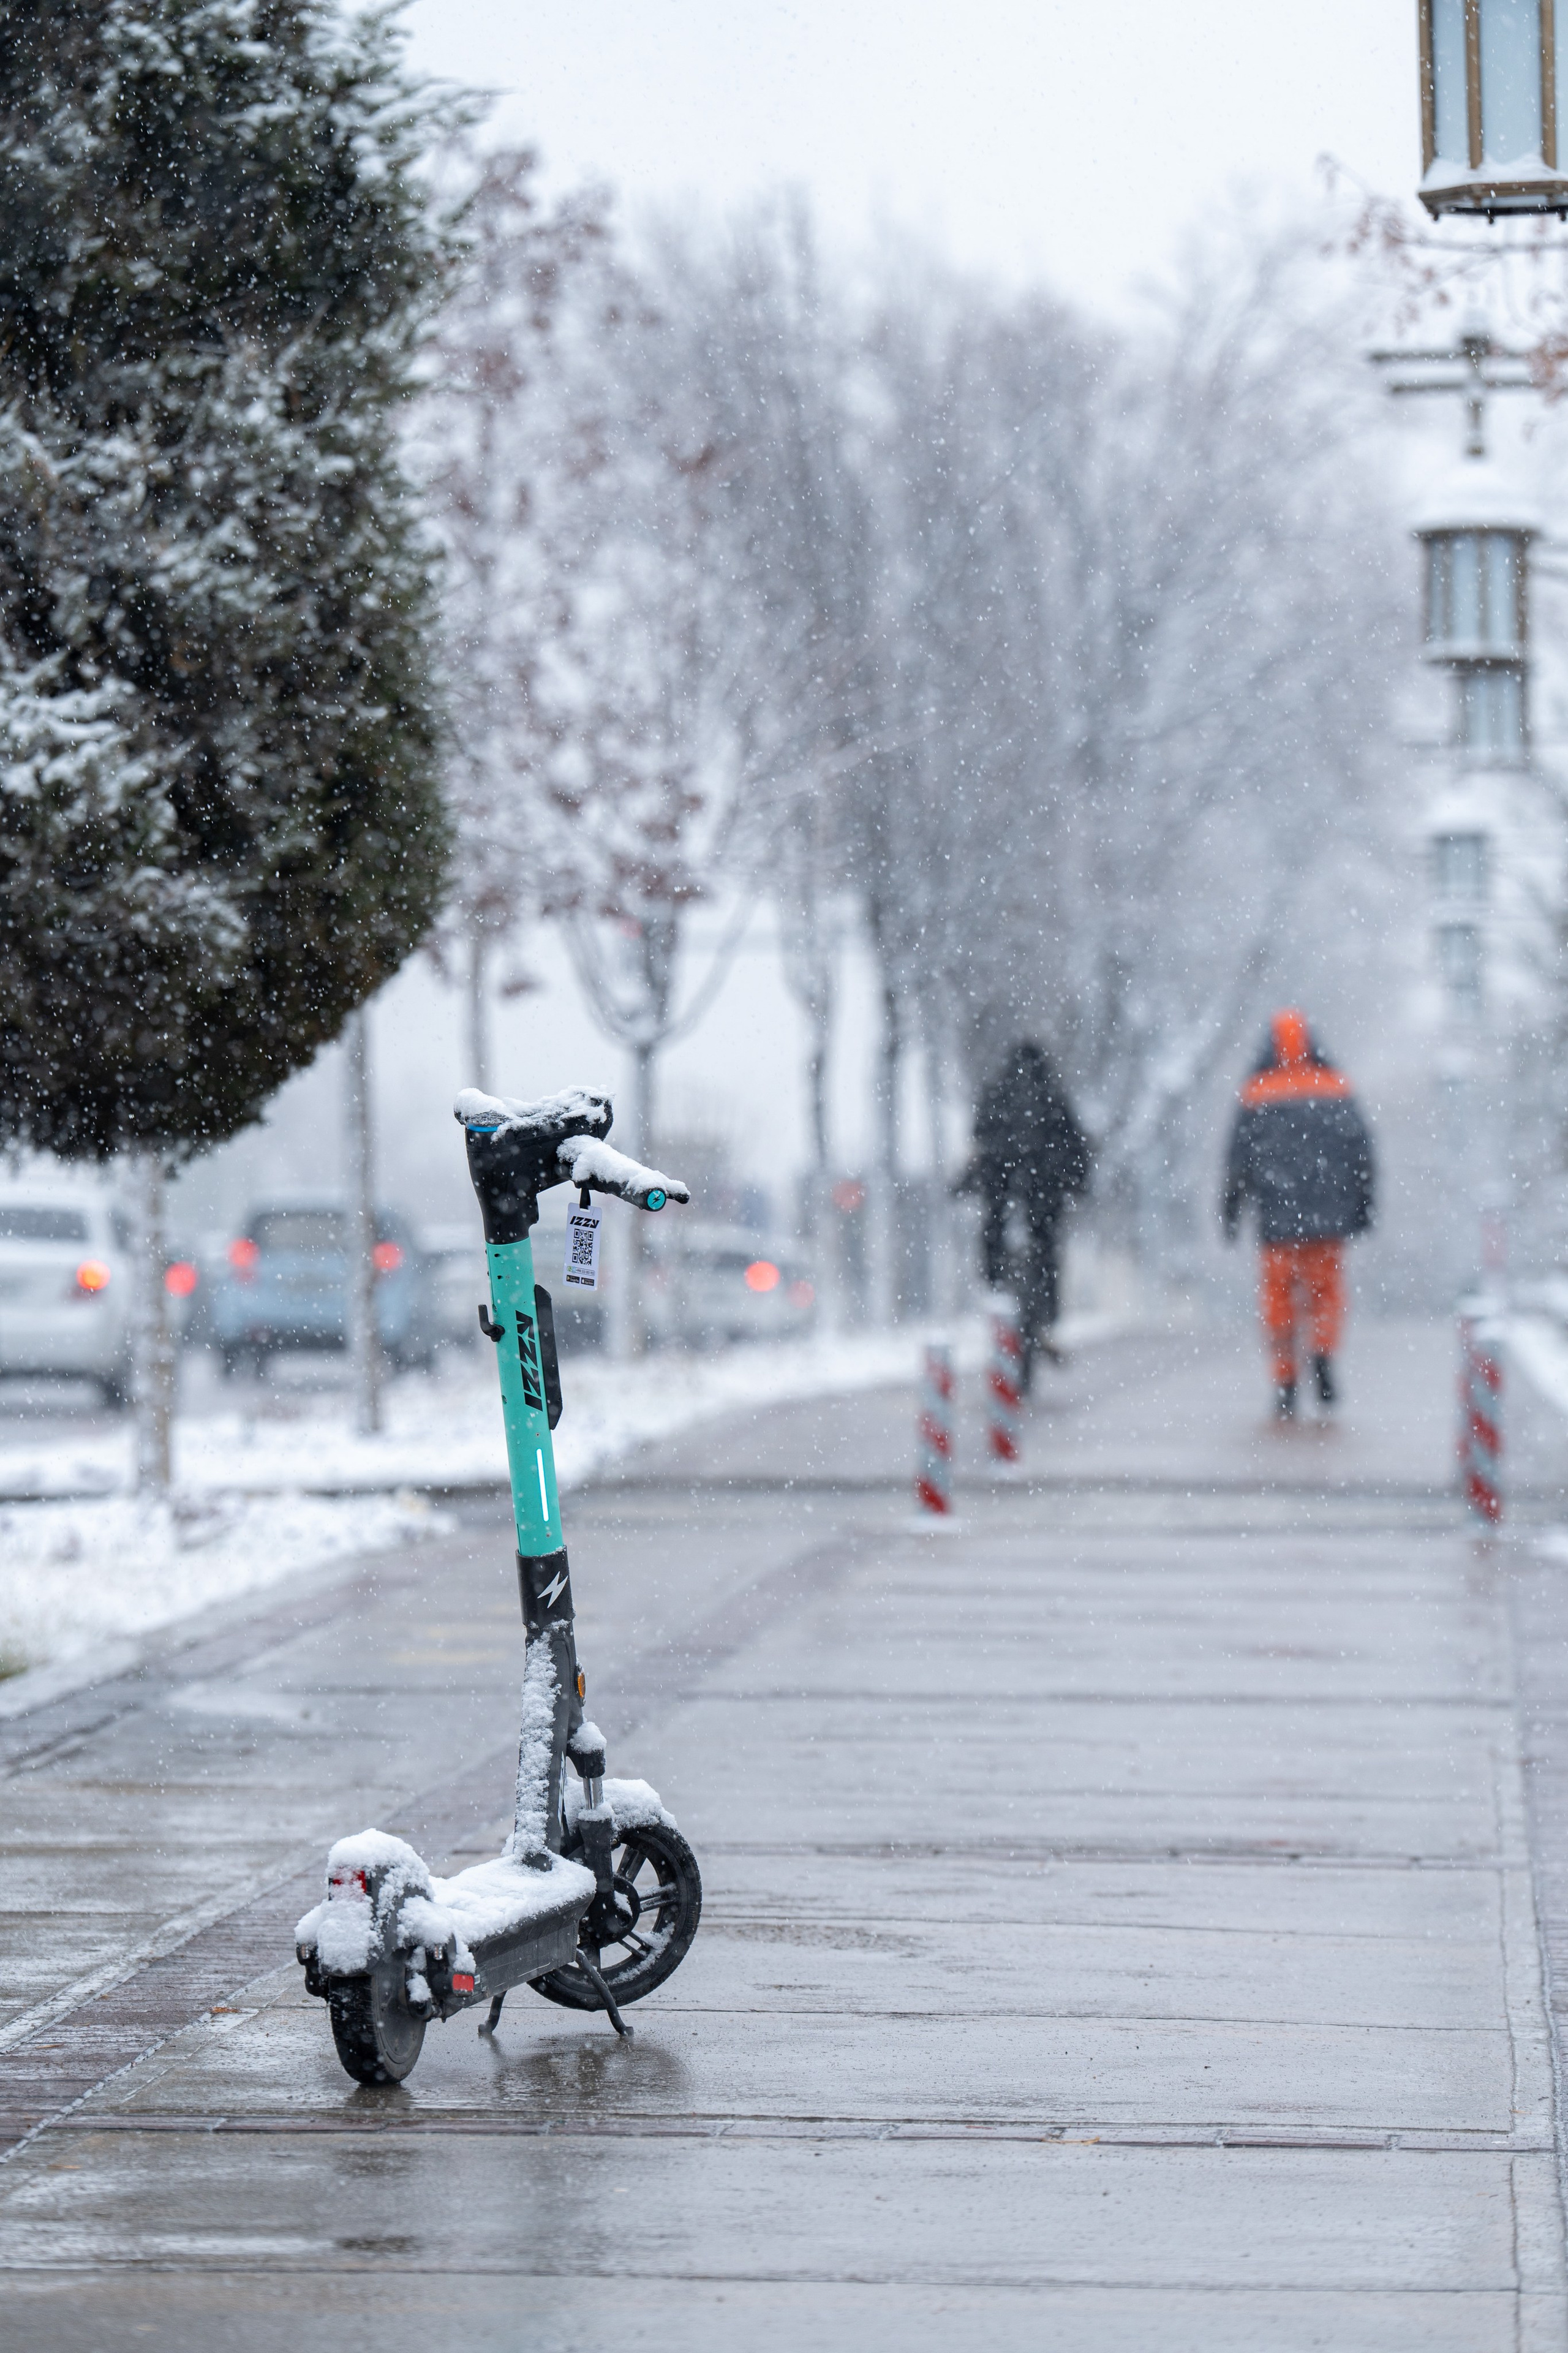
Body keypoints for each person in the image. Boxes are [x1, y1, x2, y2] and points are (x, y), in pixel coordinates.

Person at [1223, 1010, 1375, 1421]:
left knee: (1278, 1299)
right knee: (1327, 1293)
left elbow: (1237, 1161)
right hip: (1328, 1220)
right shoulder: (1336, 1087)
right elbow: (1361, 1151)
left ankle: (1285, 1379)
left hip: (1276, 1221)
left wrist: (1232, 1212)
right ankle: (1323, 1352)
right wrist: (1363, 1206)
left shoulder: (1256, 1092)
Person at [956, 1041, 1090, 1388]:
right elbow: (1077, 1151)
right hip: (1043, 1198)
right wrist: (1075, 1181)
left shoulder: (997, 1095)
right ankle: (1045, 1316)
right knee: (1047, 1252)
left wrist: (969, 1183)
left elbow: (979, 1145)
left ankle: (996, 1288)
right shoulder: (1054, 1099)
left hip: (1002, 1193)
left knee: (994, 1240)